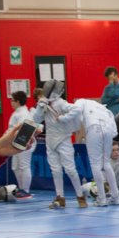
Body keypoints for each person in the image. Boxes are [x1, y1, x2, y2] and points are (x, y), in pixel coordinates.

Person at [58, 97, 119, 206]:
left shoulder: (80, 102)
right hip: (108, 130)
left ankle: (102, 199)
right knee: (106, 163)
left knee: (95, 164)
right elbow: (114, 131)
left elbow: (75, 111)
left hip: (94, 129)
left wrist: (62, 118)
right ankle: (116, 197)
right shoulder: (102, 107)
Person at [33, 80, 86, 208]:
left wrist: (64, 118)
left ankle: (80, 196)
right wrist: (39, 107)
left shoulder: (60, 102)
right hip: (50, 141)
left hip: (64, 140)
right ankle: (60, 197)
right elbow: (36, 119)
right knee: (55, 170)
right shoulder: (44, 103)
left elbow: (77, 109)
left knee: (70, 170)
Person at [7, 90, 35, 199]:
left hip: (24, 142)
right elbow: (11, 130)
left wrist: (23, 144)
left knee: (24, 166)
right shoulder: (17, 113)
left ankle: (26, 191)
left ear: (18, 101)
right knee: (15, 167)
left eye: (12, 100)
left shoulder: (24, 113)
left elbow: (26, 130)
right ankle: (21, 188)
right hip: (16, 143)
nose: (11, 102)